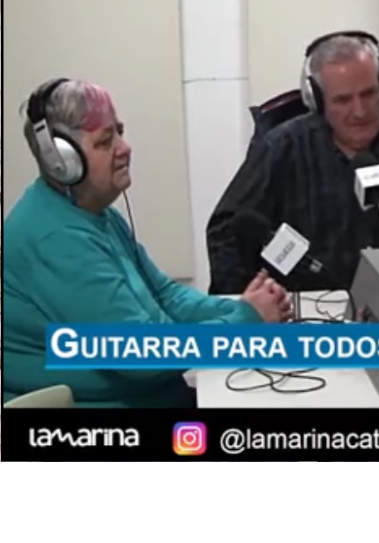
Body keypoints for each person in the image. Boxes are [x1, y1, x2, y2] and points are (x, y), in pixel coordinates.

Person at [2, 79, 293, 408]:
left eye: (120, 132)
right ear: (62, 162)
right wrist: (246, 320)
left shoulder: (96, 214)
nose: (124, 148)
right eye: (105, 141)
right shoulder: (55, 240)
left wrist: (241, 307)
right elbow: (141, 356)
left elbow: (166, 296)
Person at [207, 31, 379, 294]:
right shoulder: (281, 148)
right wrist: (253, 305)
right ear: (317, 100)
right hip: (306, 309)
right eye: (342, 100)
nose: (360, 111)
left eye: (369, 94)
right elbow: (227, 231)